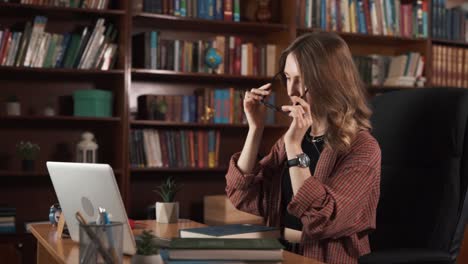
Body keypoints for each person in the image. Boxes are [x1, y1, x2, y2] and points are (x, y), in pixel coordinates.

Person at [225, 32, 381, 264]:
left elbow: (321, 220)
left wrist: (294, 147)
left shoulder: (363, 148)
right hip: (279, 253)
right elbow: (242, 195)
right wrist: (255, 129)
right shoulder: (293, 138)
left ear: (331, 81)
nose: (291, 91)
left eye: (302, 79)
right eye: (288, 77)